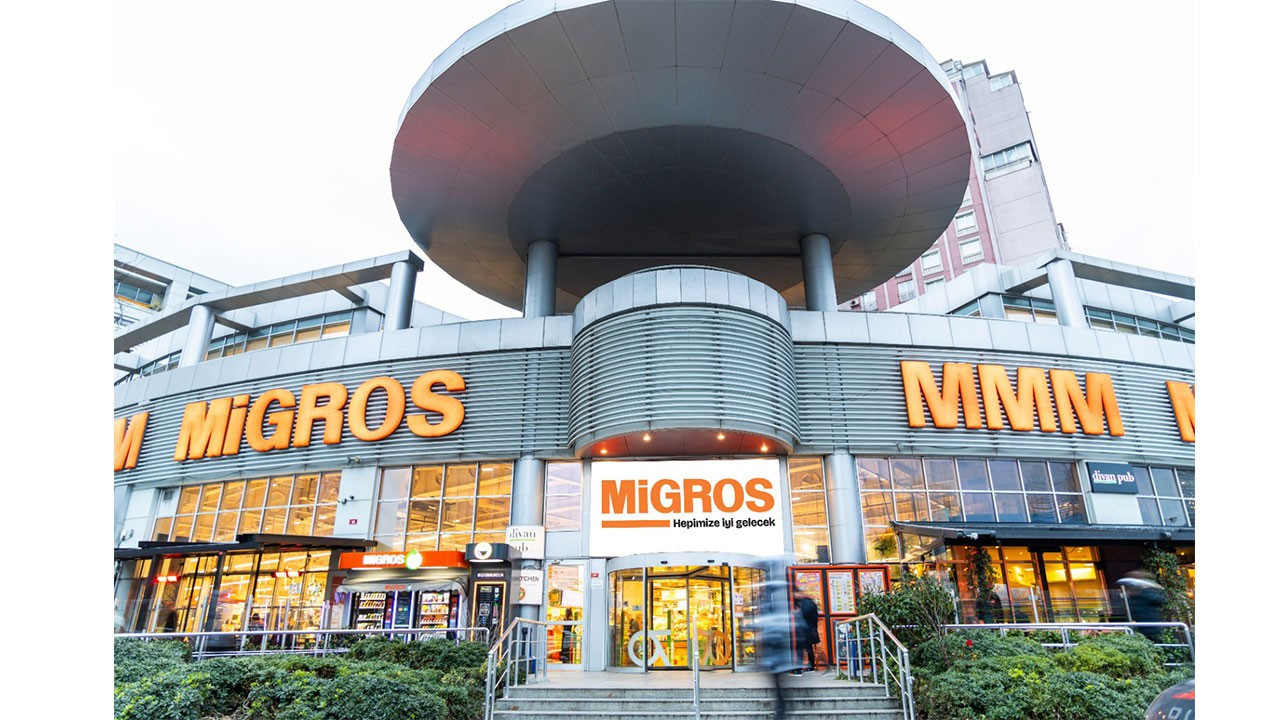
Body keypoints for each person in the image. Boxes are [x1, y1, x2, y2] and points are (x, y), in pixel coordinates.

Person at [1117, 570, 1167, 641]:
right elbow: (1160, 600)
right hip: (1147, 623)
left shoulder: (1139, 593)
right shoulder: (1144, 592)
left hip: (1146, 623)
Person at [793, 589, 820, 673]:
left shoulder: (804, 603)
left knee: (801, 649)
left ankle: (799, 668)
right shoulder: (810, 602)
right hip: (811, 628)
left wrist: (797, 612)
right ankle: (811, 666)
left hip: (805, 629)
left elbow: (803, 614)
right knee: (809, 648)